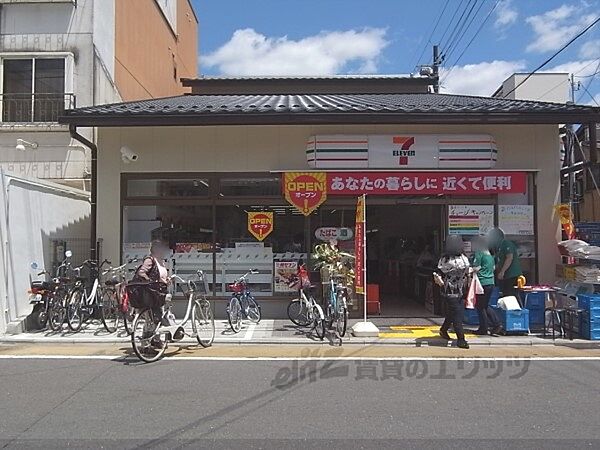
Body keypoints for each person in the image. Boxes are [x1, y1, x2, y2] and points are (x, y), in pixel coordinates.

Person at [433, 235, 470, 349]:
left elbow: (467, 270)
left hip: (461, 289)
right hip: (450, 290)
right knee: (457, 314)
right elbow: (438, 272)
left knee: (452, 313)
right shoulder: (445, 259)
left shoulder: (462, 256)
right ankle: (461, 339)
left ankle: (443, 330)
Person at [132, 240, 171, 347]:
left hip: (159, 293)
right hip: (150, 294)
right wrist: (151, 281)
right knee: (152, 318)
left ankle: (155, 340)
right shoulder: (150, 260)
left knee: (158, 317)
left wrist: (166, 280)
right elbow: (142, 272)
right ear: (157, 250)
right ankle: (145, 345)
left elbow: (160, 276)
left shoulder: (161, 261)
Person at [471, 236, 501, 336]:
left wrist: (469, 269)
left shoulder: (479, 252)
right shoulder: (490, 254)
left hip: (482, 283)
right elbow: (493, 267)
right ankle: (496, 324)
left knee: (480, 306)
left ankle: (484, 328)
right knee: (484, 305)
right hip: (491, 282)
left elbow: (476, 268)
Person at [487, 228, 522, 299]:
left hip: (512, 275)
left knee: (511, 295)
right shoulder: (498, 247)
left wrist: (502, 271)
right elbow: (499, 261)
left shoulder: (506, 243)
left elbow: (509, 258)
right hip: (505, 276)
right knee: (505, 294)